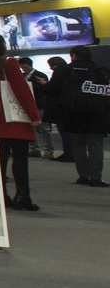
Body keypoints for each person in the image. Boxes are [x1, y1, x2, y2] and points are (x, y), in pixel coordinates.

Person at [0, 33, 42, 212]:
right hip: (13, 119)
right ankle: (23, 196)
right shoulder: (8, 63)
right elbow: (21, 90)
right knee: (20, 159)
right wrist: (34, 115)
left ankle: (1, 196)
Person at [55, 46, 108, 187]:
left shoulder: (64, 70)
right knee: (95, 145)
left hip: (73, 112)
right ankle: (95, 177)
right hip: (96, 113)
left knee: (78, 144)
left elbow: (53, 90)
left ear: (73, 56)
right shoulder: (100, 71)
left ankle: (83, 176)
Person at [17, 57, 54, 158]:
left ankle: (48, 150)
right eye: (21, 67)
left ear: (29, 65)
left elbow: (45, 90)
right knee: (31, 128)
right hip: (27, 105)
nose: (23, 69)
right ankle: (34, 149)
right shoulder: (21, 76)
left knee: (44, 129)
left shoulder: (40, 75)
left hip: (39, 104)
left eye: (24, 67)